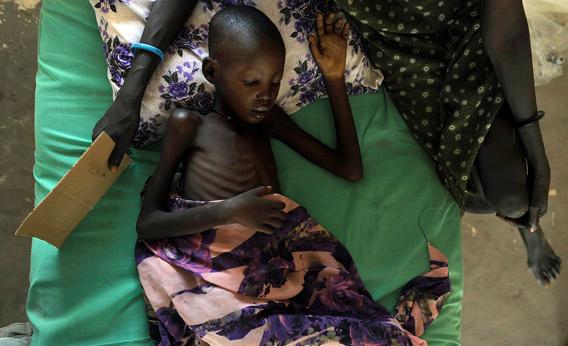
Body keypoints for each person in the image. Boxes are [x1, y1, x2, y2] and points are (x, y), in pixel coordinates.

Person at [134, 6, 449, 345]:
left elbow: (349, 168)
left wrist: (334, 78)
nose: (265, 95)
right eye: (251, 82)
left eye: (274, 81)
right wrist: (229, 211)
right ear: (212, 71)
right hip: (218, 271)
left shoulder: (270, 120)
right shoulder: (189, 125)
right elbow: (149, 224)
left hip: (280, 269)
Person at [333, 0, 561, 286]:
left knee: (513, 199)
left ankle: (530, 227)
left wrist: (538, 160)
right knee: (466, 194)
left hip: (468, 20)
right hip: (395, 45)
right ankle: (527, 220)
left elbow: (507, 32)